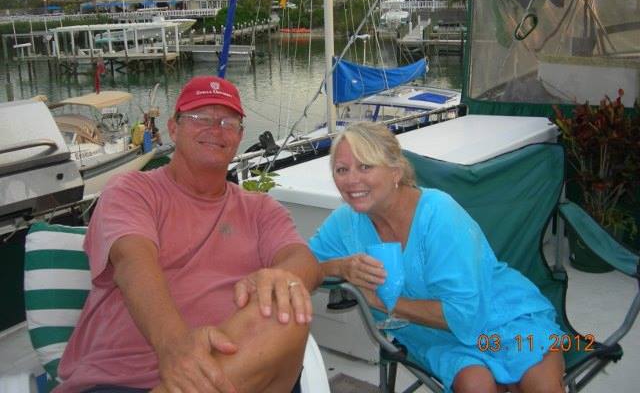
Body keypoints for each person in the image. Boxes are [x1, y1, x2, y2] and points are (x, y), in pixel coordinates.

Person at [58, 76, 322, 393]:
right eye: (201, 118)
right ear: (173, 128)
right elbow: (133, 262)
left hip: (238, 370)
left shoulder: (260, 209)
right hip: (122, 378)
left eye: (227, 122)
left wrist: (284, 276)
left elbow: (301, 259)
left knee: (286, 307)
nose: (215, 129)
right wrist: (175, 347)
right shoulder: (132, 190)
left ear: (239, 136)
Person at [309, 122, 565, 393]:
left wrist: (378, 301)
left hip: (500, 314)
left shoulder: (438, 214)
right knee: (476, 385)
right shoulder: (346, 223)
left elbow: (464, 315)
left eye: (365, 166)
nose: (351, 180)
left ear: (396, 171)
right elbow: (301, 268)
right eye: (342, 169)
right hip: (433, 335)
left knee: (541, 386)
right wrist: (340, 267)